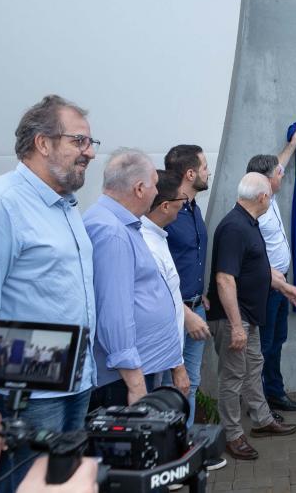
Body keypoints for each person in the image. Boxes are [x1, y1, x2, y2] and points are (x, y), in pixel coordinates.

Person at [0, 94, 98, 493]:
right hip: (26, 393)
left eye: (90, 143)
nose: (90, 153)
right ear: (42, 143)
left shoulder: (65, 207)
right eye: (79, 142)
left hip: (74, 382)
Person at [84, 149, 188, 409]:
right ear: (140, 189)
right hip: (123, 379)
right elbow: (114, 312)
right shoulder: (112, 232)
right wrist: (134, 381)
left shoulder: (120, 224)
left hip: (139, 368)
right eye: (154, 185)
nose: (156, 193)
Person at [208, 173, 296, 462]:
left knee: (253, 367)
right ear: (261, 197)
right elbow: (224, 279)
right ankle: (232, 435)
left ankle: (262, 420)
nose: (270, 201)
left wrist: (284, 287)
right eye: (269, 196)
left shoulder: (248, 223)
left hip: (249, 316)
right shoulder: (234, 227)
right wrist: (236, 326)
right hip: (235, 318)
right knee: (233, 377)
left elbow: (257, 268)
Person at [245, 128, 296, 414]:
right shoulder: (253, 205)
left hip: (280, 284)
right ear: (266, 179)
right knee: (265, 344)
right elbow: (249, 252)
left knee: (276, 339)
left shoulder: (266, 196)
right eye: (278, 174)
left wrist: (292, 144)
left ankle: (272, 392)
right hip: (268, 286)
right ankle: (259, 402)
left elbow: (279, 163)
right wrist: (274, 277)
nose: (282, 175)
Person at [161, 146, 215, 426]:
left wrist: (200, 292)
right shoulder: (165, 212)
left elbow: (188, 257)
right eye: (204, 166)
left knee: (190, 384)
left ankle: (188, 449)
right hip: (173, 314)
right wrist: (183, 308)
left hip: (197, 307)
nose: (208, 171)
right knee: (170, 388)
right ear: (190, 173)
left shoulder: (193, 209)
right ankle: (171, 454)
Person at [139, 170, 189, 373]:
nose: (184, 203)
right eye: (180, 198)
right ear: (165, 206)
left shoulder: (157, 236)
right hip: (154, 360)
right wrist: (178, 367)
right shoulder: (147, 244)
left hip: (163, 356)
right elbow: (158, 305)